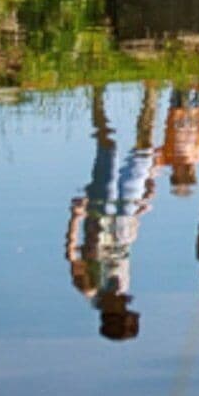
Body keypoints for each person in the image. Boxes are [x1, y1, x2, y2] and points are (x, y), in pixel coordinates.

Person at [65, 87, 158, 342]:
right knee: (144, 158)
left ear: (110, 313)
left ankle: (97, 97)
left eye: (123, 308)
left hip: (100, 216)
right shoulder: (122, 289)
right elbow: (125, 251)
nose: (125, 302)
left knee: (109, 151)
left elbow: (71, 254)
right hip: (127, 218)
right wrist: (143, 207)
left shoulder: (90, 288)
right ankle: (150, 95)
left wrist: (76, 216)